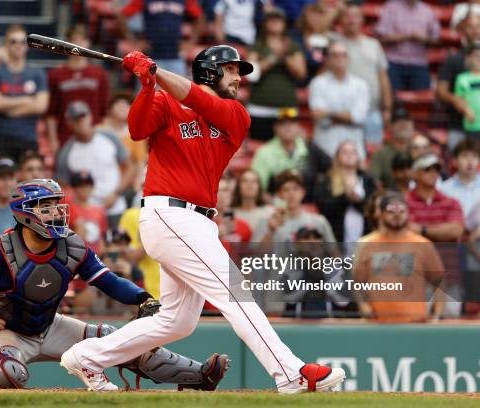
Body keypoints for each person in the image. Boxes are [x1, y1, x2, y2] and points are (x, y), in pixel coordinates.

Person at [61, 45, 345, 393]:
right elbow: (137, 129)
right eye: (231, 70)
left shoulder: (236, 115)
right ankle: (290, 373)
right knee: (235, 294)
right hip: (169, 214)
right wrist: (148, 85)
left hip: (197, 222)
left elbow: (201, 101)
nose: (239, 77)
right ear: (210, 71)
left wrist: (158, 73)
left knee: (177, 322)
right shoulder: (166, 102)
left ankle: (88, 356)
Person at [0, 179, 229, 391]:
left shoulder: (71, 245)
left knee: (123, 341)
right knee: (5, 375)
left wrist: (142, 298)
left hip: (50, 326)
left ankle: (198, 375)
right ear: (24, 213)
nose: (55, 212)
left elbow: (107, 281)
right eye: (44, 206)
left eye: (55, 205)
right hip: (8, 332)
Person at [353, 192, 445, 322]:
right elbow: (357, 282)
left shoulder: (423, 245)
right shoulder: (367, 245)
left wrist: (437, 315)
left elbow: (439, 281)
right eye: (391, 211)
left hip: (414, 323)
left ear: (408, 213)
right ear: (381, 214)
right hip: (377, 324)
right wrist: (363, 307)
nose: (397, 215)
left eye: (401, 211)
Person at [55, 101, 133, 228]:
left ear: (90, 116)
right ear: (69, 123)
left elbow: (129, 167)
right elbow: (63, 187)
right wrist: (81, 207)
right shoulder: (66, 152)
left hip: (116, 205)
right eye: (75, 119)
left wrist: (116, 193)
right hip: (87, 214)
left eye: (83, 116)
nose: (80, 121)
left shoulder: (109, 137)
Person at [0, 25, 48, 161]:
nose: (18, 46)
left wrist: (7, 109)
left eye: (22, 42)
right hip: (2, 139)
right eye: (13, 42)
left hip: (28, 138)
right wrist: (26, 100)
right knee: (3, 181)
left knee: (30, 182)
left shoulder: (38, 74)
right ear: (6, 45)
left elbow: (40, 106)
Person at [333, 4, 392, 145]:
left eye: (355, 16)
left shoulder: (374, 44)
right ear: (340, 20)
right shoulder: (334, 44)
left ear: (362, 20)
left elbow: (383, 78)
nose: (351, 20)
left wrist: (387, 108)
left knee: (372, 154)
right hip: (342, 114)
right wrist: (336, 11)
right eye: (347, 16)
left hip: (372, 112)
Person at [46, 25, 110, 153]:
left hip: (94, 136)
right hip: (65, 137)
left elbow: (105, 111)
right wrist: (53, 140)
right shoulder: (56, 75)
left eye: (82, 40)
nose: (78, 45)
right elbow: (51, 113)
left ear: (88, 43)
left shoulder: (99, 74)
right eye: (74, 40)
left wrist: (104, 136)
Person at [246, 9, 307, 141]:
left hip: (286, 111)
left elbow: (301, 74)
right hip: (259, 110)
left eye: (279, 19)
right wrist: (273, 58)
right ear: (264, 23)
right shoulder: (257, 46)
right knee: (260, 148)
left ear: (284, 23)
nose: (275, 22)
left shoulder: (292, 47)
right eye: (271, 19)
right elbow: (250, 74)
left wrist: (285, 57)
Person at [308, 41, 370, 162]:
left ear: (348, 58)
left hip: (354, 150)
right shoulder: (318, 83)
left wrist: (329, 113)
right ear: (327, 59)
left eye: (343, 55)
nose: (340, 59)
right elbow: (319, 116)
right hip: (325, 149)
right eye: (335, 55)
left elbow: (359, 117)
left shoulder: (361, 85)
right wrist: (348, 117)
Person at [251, 107, 331, 195]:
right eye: (283, 123)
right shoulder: (264, 152)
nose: (288, 127)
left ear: (298, 127)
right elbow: (258, 189)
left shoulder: (310, 148)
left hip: (309, 204)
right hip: (276, 205)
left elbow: (333, 168)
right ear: (275, 128)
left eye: (292, 123)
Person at [116, 0, 205, 77]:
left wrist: (191, 42)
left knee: (178, 95)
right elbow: (122, 16)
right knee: (149, 94)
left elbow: (200, 18)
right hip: (150, 57)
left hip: (175, 55)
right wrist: (133, 41)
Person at [314, 141, 376, 247]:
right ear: (337, 157)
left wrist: (358, 202)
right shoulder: (327, 181)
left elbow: (373, 208)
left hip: (364, 235)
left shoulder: (367, 179)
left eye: (353, 152)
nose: (349, 155)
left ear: (358, 156)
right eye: (345, 152)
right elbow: (324, 208)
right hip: (337, 238)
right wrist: (346, 198)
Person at [374, 0, 440, 91]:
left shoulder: (427, 11)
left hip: (419, 64)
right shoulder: (391, 8)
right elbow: (381, 38)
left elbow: (437, 40)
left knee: (423, 100)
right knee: (391, 98)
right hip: (393, 63)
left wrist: (425, 39)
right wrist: (408, 36)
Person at [437, 14, 480, 150]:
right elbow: (441, 90)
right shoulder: (453, 59)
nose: (475, 30)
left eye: (479, 26)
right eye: (471, 26)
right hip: (458, 125)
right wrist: (456, 100)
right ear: (462, 29)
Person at [264, 170, 336, 244]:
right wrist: (270, 231)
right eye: (286, 189)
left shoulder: (319, 222)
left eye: (295, 189)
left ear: (303, 192)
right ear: (279, 194)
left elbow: (335, 254)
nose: (291, 194)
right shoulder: (267, 222)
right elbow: (255, 254)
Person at [406, 153, 465, 243]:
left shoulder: (452, 202)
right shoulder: (404, 202)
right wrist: (441, 231)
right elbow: (407, 231)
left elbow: (455, 231)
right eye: (427, 170)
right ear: (415, 173)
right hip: (415, 254)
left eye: (436, 170)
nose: (433, 173)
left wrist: (423, 230)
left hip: (446, 255)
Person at [369, 106, 415, 189]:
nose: (403, 124)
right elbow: (373, 181)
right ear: (390, 126)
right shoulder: (381, 154)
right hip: (392, 197)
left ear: (412, 125)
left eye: (406, 120)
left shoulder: (420, 149)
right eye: (398, 121)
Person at [68, 170, 107, 254]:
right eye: (81, 185)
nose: (85, 188)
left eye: (88, 185)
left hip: (96, 255)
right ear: (74, 188)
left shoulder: (99, 210)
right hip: (78, 254)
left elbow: (101, 236)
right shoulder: (69, 208)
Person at [440, 140, 480, 218]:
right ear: (454, 161)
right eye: (464, 156)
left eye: (474, 156)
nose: (470, 161)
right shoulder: (444, 189)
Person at [231, 169, 273, 241]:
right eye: (245, 181)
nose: (249, 184)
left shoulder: (270, 212)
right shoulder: (230, 213)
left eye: (254, 181)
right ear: (238, 186)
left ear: (259, 187)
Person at [455, 42, 480, 138]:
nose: (479, 58)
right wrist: (466, 109)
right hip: (472, 125)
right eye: (476, 56)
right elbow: (459, 99)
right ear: (469, 58)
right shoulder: (462, 78)